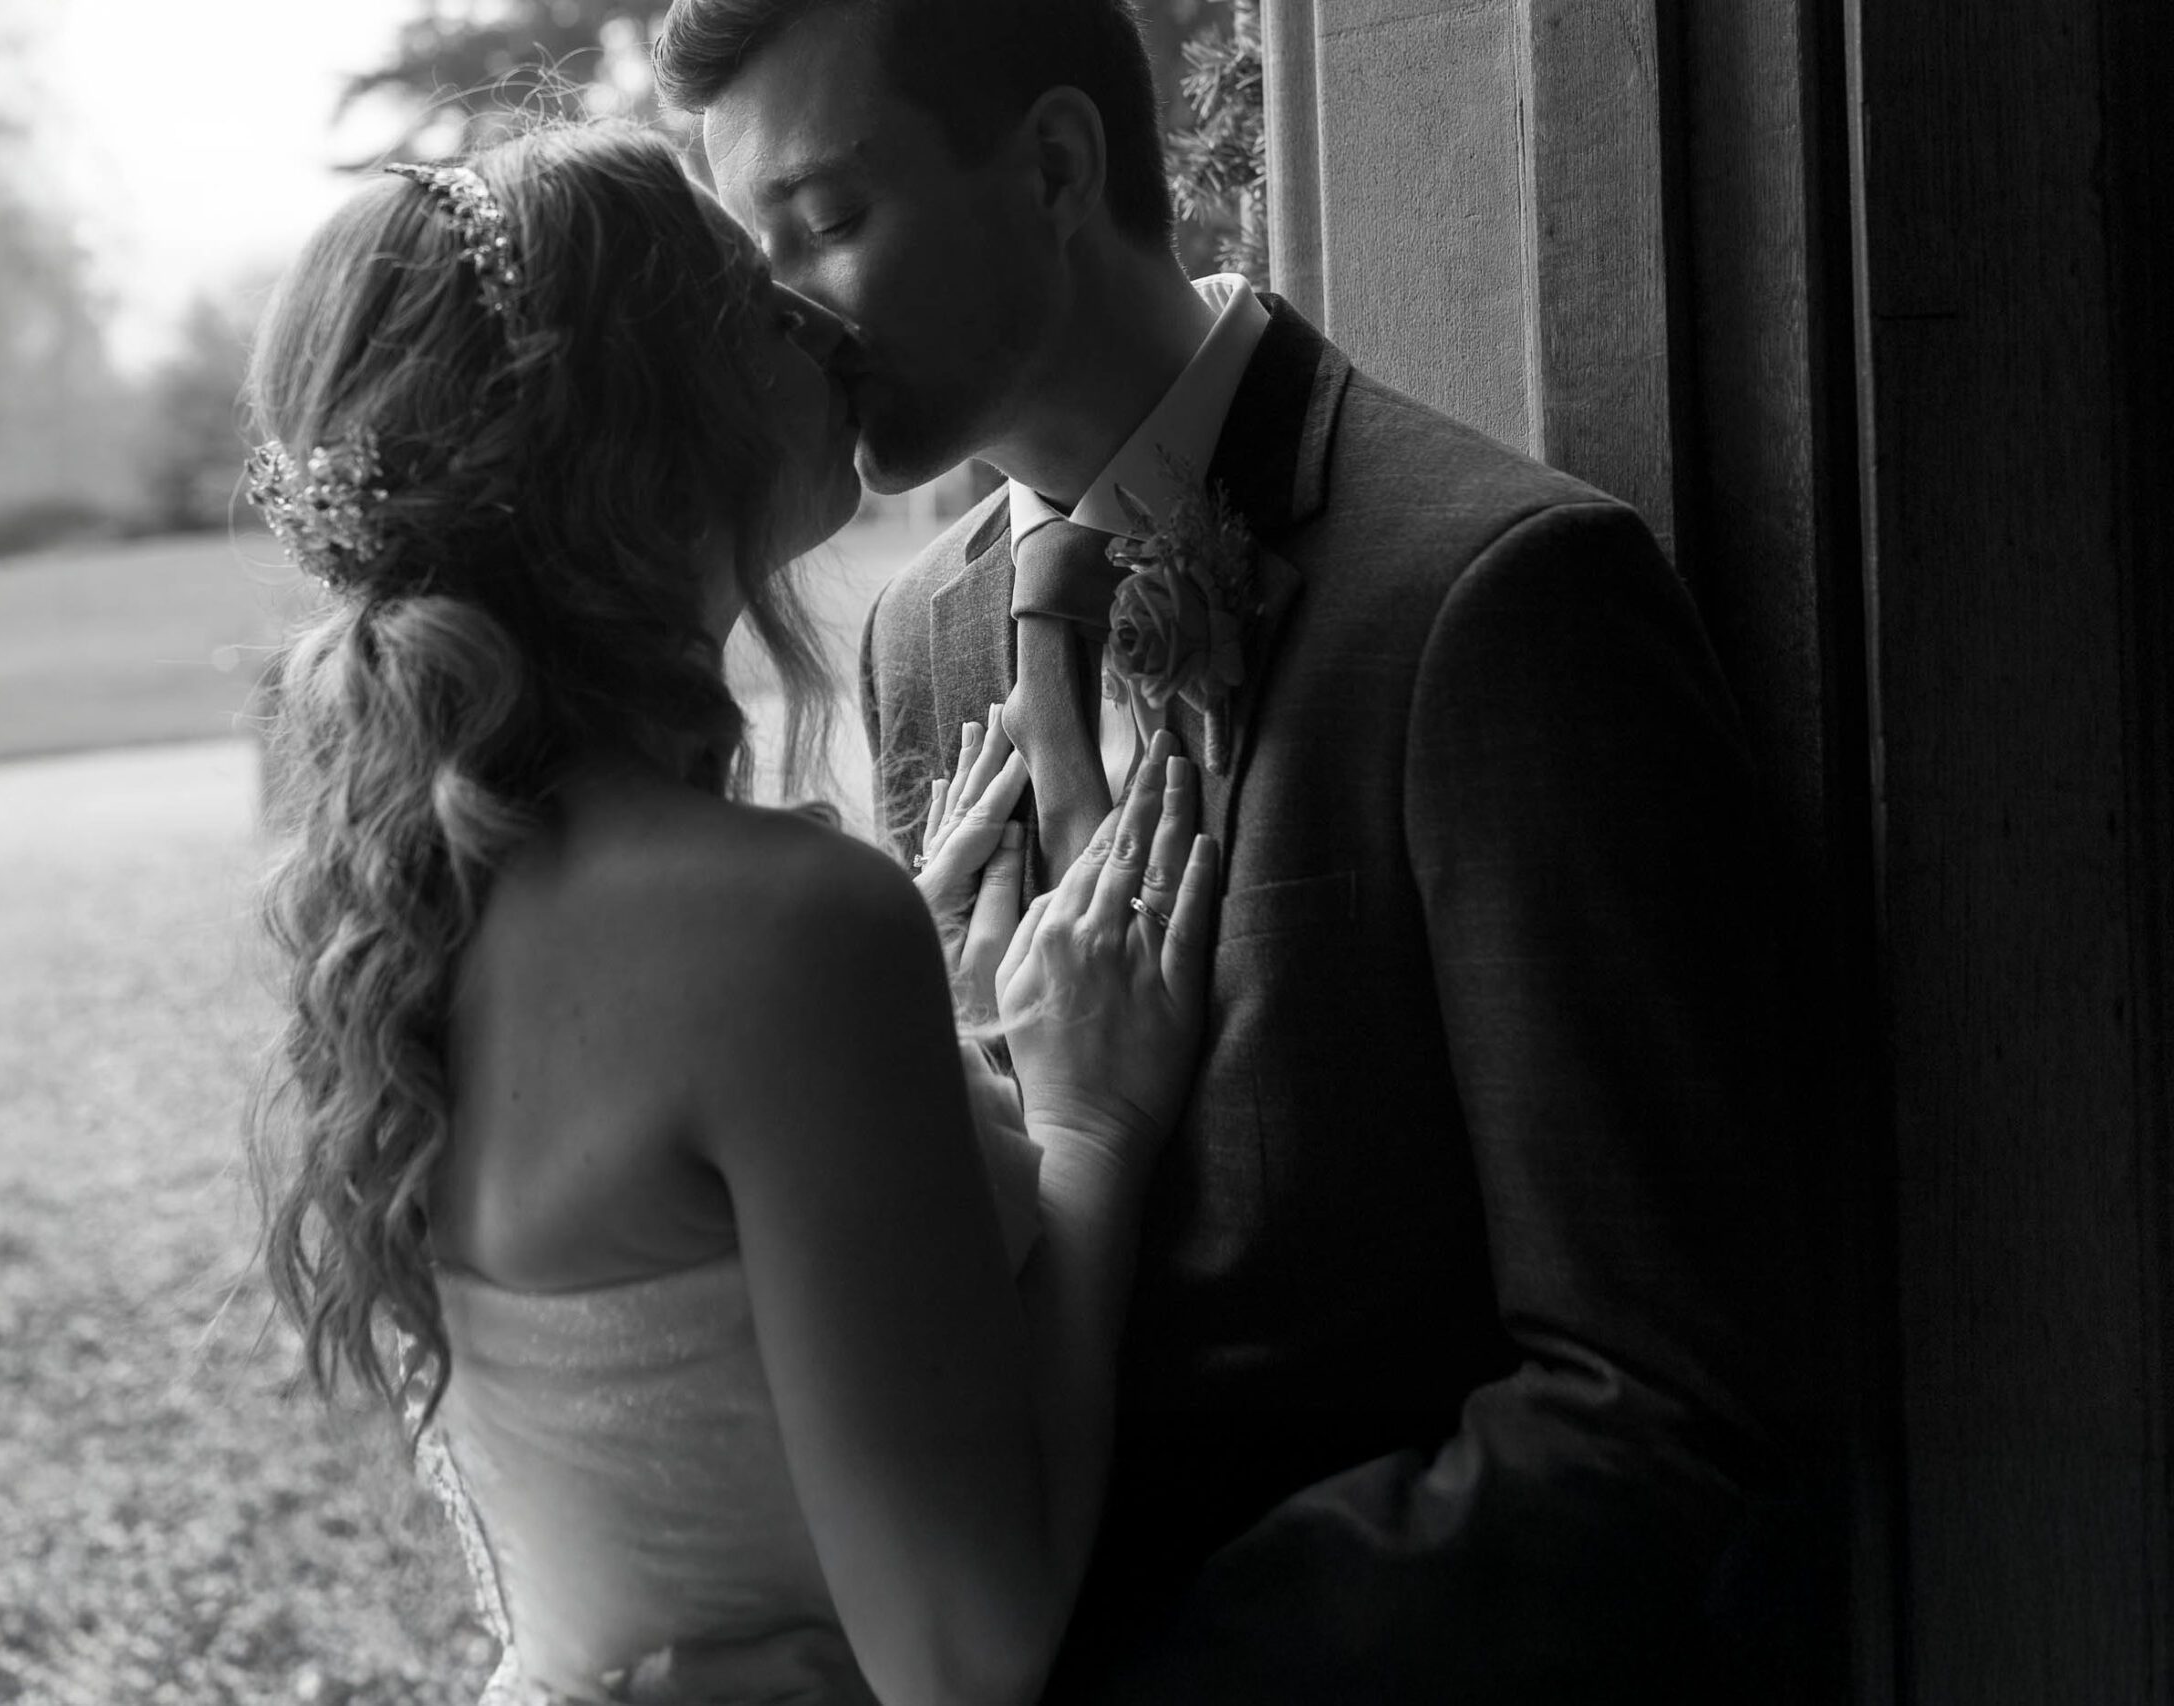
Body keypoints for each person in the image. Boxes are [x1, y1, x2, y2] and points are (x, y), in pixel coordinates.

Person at [638, 0, 1817, 1700]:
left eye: (826, 222)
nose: (789, 316)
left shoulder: (1496, 602)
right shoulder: (922, 640)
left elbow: (1656, 1403)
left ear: (1056, 166)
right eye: (757, 257)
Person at [241, 120, 1228, 1706]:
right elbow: (962, 1659)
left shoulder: (425, 898)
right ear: (650, 421)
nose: (822, 320)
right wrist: (1087, 1125)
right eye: (753, 297)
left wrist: (931, 1059)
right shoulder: (783, 935)